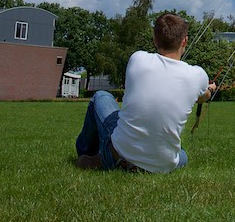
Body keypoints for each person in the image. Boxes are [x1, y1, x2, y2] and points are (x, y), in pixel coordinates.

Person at [75, 12, 216, 173]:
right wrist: (210, 90)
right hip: (163, 166)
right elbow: (202, 97)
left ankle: (88, 154)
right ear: (185, 41)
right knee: (182, 156)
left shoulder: (137, 59)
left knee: (101, 96)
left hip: (119, 155)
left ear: (155, 39)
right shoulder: (198, 75)